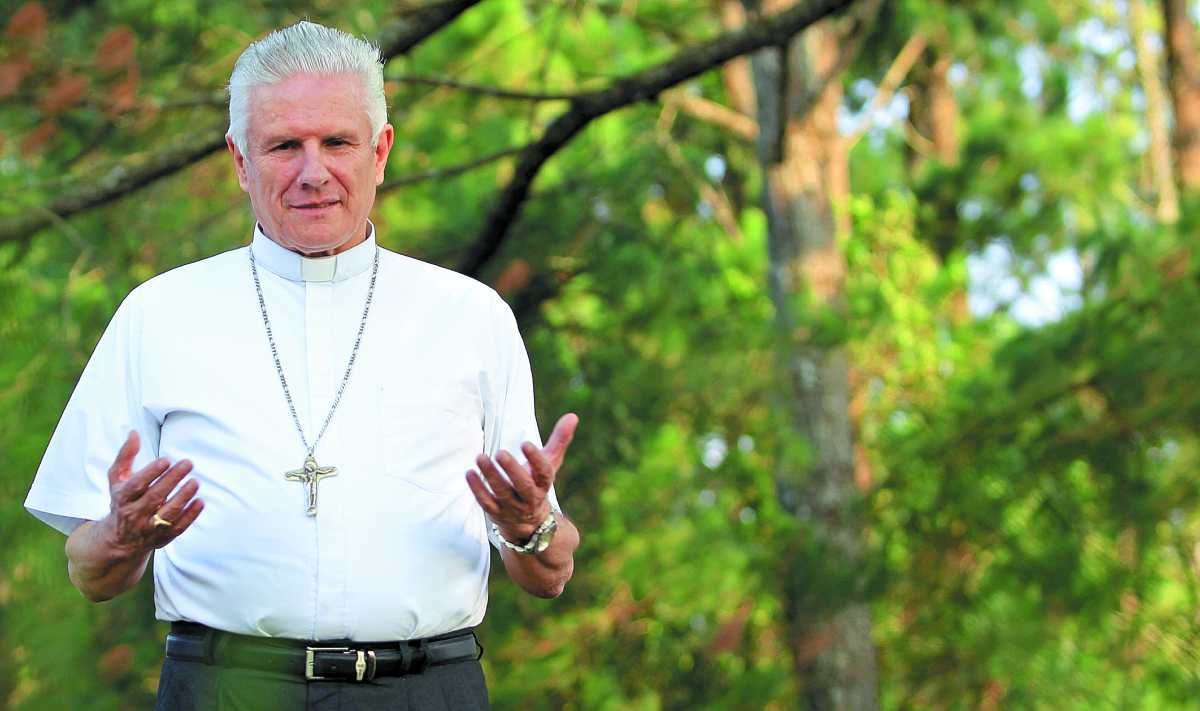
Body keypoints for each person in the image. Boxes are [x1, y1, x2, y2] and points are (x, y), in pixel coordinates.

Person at [24, 20, 579, 710]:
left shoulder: (471, 316)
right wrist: (122, 536)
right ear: (240, 161)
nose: (314, 173)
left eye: (337, 143)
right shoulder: (158, 314)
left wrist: (530, 525)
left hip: (425, 690)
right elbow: (90, 573)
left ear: (380, 151)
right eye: (285, 146)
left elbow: (549, 574)